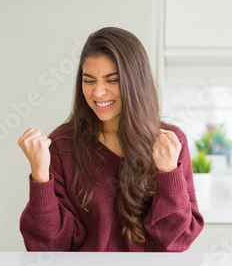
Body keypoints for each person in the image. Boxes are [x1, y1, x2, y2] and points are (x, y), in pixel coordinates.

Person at [18, 27, 204, 252]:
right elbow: (47, 247)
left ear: (134, 82)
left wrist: (168, 174)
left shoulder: (170, 143)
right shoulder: (62, 144)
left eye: (111, 80)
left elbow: (176, 241)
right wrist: (40, 177)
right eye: (89, 80)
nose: (98, 92)